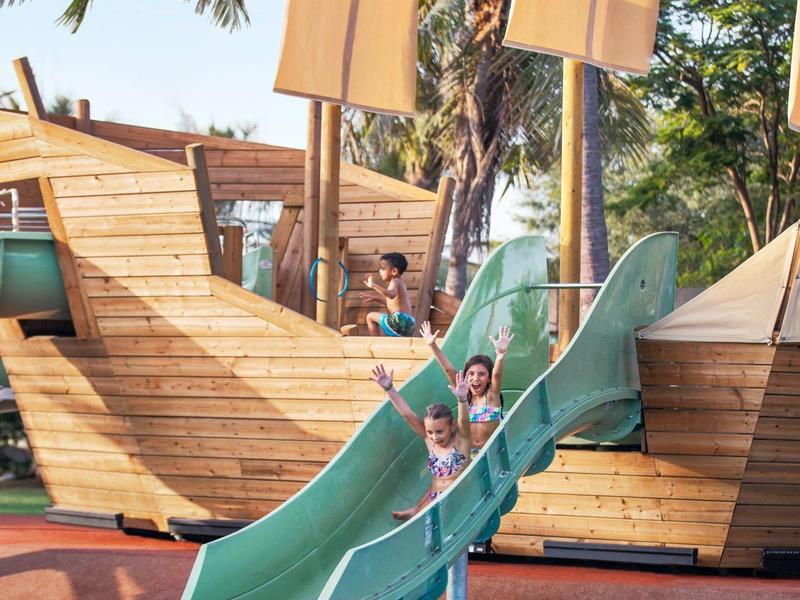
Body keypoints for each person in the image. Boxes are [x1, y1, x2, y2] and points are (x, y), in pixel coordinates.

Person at [370, 363, 471, 520]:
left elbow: (464, 420)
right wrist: (389, 388)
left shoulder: (461, 441)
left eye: (439, 431)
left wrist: (462, 399)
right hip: (434, 496)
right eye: (430, 432)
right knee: (422, 520)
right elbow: (407, 413)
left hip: (455, 497)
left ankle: (417, 511)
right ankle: (416, 509)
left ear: (451, 427)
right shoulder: (429, 441)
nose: (434, 437)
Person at [419, 321, 514, 459]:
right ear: (465, 376)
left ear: (488, 379)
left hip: (491, 453)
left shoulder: (492, 397)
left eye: (482, 374)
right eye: (471, 374)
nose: (476, 378)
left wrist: (500, 354)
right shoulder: (465, 397)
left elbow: (497, 374)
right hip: (467, 455)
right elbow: (448, 369)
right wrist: (432, 345)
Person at [359, 252, 415, 337]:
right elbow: (392, 302)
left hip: (399, 320)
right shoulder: (401, 283)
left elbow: (391, 295)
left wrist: (373, 285)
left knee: (370, 317)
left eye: (382, 268)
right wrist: (374, 298)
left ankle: (375, 342)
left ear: (394, 271)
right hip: (410, 324)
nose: (379, 271)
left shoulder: (395, 281)